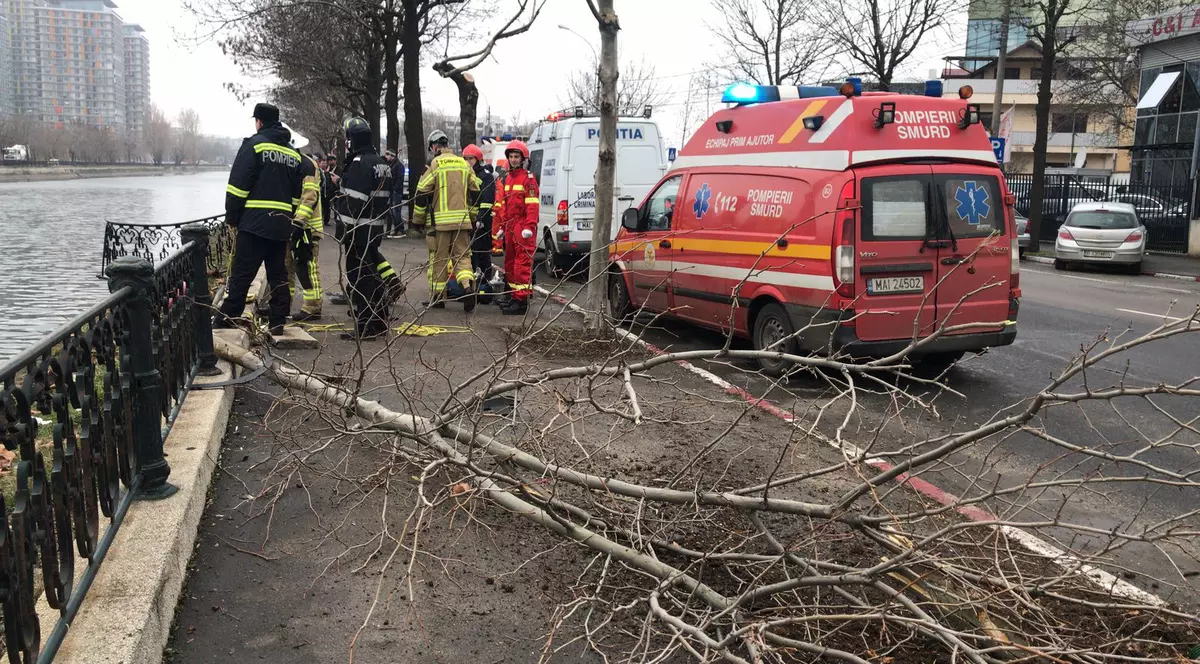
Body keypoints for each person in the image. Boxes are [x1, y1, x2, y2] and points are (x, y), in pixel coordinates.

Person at [217, 102, 307, 335]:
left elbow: (237, 186)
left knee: (242, 273)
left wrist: (232, 217)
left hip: (254, 224)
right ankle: (278, 322)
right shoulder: (292, 153)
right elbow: (296, 194)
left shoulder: (254, 145)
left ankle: (227, 318)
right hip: (281, 224)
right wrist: (288, 218)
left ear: (259, 122)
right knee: (278, 274)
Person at [336, 117, 393, 340]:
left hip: (358, 231)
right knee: (372, 274)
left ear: (352, 140)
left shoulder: (360, 163)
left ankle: (366, 326)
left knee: (360, 277)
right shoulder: (380, 162)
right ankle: (379, 321)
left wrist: (344, 232)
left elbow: (354, 202)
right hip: (374, 229)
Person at [411, 130, 480, 311]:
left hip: (440, 224)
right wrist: (472, 217)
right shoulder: (464, 163)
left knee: (439, 260)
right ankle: (467, 287)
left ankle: (438, 298)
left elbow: (422, 192)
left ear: (434, 146)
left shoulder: (435, 164)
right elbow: (476, 191)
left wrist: (417, 220)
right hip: (462, 223)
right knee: (462, 257)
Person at [493, 140, 539, 315]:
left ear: (523, 158)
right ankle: (514, 296)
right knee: (510, 263)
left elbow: (532, 206)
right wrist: (503, 226)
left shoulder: (529, 179)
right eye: (511, 156)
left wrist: (529, 226)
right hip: (511, 226)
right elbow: (505, 206)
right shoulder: (509, 179)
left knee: (522, 263)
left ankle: (521, 301)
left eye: (516, 156)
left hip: (523, 226)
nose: (513, 159)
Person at [462, 144, 498, 303]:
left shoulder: (486, 176)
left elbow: (487, 200)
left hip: (482, 222)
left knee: (482, 254)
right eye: (466, 159)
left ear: (478, 159)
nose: (468, 161)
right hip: (469, 221)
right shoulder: (465, 174)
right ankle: (473, 287)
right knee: (471, 256)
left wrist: (481, 219)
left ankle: (485, 287)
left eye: (471, 158)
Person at [385, 150, 407, 237]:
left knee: (395, 211)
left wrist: (394, 189)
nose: (386, 156)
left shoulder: (398, 166)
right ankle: (397, 229)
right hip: (393, 191)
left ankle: (401, 229)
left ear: (392, 156)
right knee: (392, 211)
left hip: (396, 192)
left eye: (388, 154)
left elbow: (399, 179)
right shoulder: (392, 165)